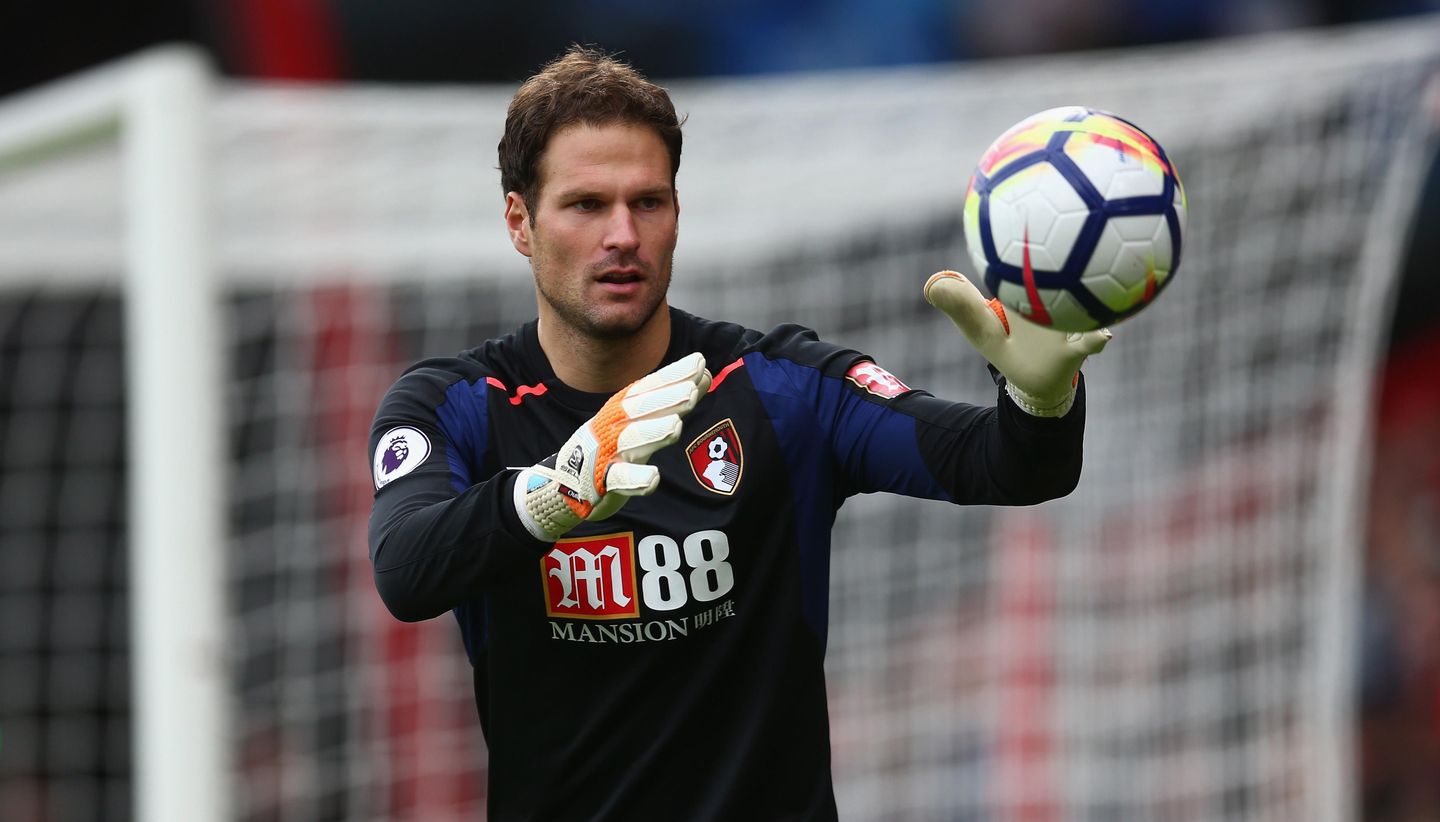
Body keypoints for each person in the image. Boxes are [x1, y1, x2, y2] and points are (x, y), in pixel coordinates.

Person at [367, 45, 1110, 821]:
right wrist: (559, 491)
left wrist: (1040, 398)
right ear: (520, 222)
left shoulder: (779, 386)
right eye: (586, 205)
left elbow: (1009, 468)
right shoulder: (455, 404)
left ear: (678, 214)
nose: (623, 233)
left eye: (648, 202)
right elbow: (407, 568)